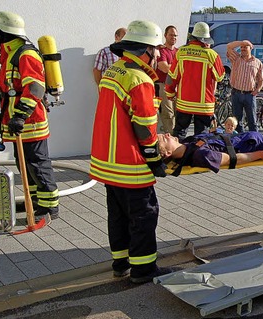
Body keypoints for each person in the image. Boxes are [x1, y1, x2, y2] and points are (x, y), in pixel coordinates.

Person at [89, 20, 171, 284]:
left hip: (107, 162)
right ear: (146, 50)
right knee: (144, 216)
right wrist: (155, 159)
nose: (158, 55)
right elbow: (145, 129)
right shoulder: (140, 79)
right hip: (130, 164)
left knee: (118, 216)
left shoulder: (115, 69)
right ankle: (144, 271)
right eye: (156, 49)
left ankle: (121, 264)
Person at [0, 11, 59, 220]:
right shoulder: (9, 55)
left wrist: (19, 116)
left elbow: (35, 88)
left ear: (6, 33)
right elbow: (4, 88)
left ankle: (49, 208)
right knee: (26, 166)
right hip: (20, 124)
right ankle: (35, 203)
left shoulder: (25, 54)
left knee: (38, 165)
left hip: (31, 122)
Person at [160, 130, 263, 173]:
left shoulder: (189, 144)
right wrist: (261, 155)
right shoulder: (200, 155)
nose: (167, 134)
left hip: (249, 138)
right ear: (167, 153)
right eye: (164, 138)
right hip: (257, 145)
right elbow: (232, 159)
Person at [166, 22, 225, 138]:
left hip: (184, 103)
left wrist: (170, 93)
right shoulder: (212, 55)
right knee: (201, 137)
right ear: (205, 40)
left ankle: (178, 155)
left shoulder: (181, 52)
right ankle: (197, 155)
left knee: (179, 133)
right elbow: (220, 76)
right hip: (204, 105)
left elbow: (171, 76)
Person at [226, 40, 263, 133]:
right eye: (241, 47)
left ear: (251, 48)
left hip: (249, 95)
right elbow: (229, 46)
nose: (243, 49)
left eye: (245, 47)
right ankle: (239, 140)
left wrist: (258, 89)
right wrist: (242, 42)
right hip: (236, 93)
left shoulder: (257, 62)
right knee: (237, 121)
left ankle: (255, 140)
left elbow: (262, 79)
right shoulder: (235, 58)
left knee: (252, 120)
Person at [155, 26, 178, 134]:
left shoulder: (179, 51)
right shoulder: (161, 50)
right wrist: (177, 67)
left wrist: (171, 66)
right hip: (164, 86)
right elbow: (164, 68)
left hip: (177, 87)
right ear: (165, 35)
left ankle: (177, 139)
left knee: (178, 114)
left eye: (175, 35)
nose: (173, 37)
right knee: (168, 114)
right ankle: (171, 138)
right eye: (171, 35)